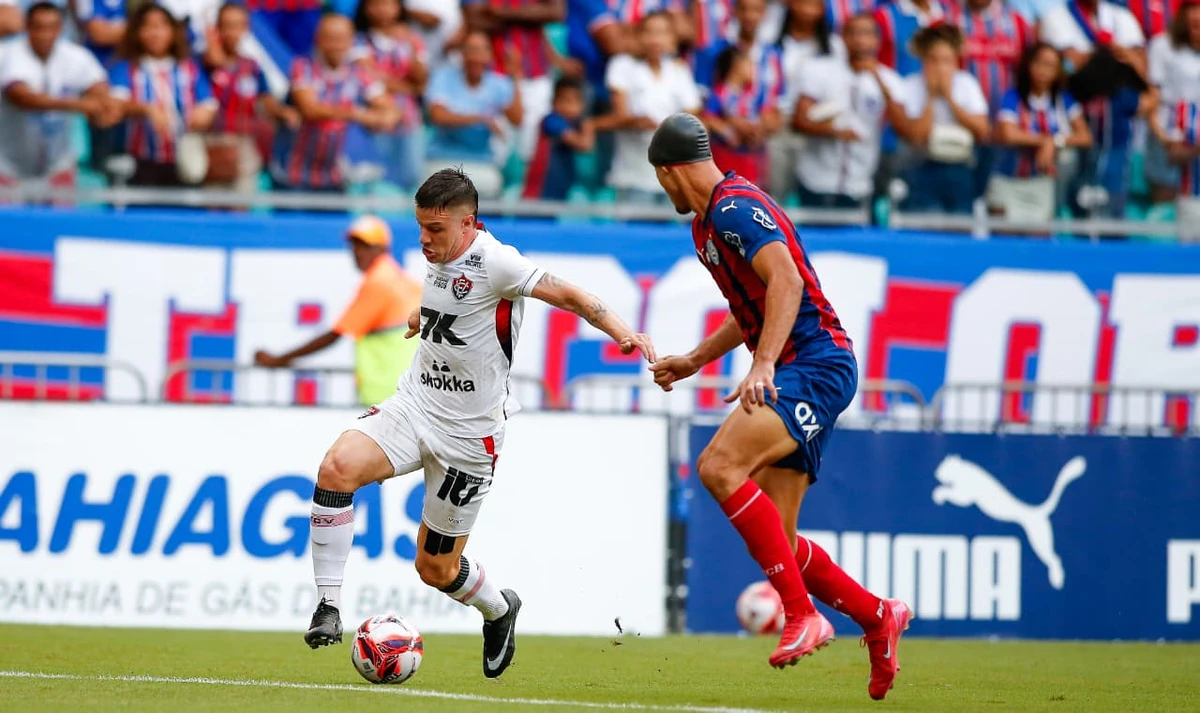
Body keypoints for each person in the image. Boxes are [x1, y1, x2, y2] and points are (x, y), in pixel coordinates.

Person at [301, 168, 656, 680]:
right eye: (420, 228)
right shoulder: (438, 257)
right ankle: (328, 606)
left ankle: (499, 608)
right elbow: (454, 304)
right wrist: (421, 316)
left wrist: (625, 333)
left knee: (435, 568)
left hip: (468, 439)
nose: (424, 240)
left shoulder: (498, 262)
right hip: (414, 406)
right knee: (337, 467)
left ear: (468, 224)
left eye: (435, 229)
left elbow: (573, 296)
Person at [646, 113, 910, 697]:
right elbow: (753, 303)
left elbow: (786, 282)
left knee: (719, 467)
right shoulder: (708, 225)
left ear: (667, 172)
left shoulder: (733, 209)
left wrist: (763, 364)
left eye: (660, 181)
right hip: (802, 368)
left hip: (814, 365)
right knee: (782, 544)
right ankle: (877, 617)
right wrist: (695, 359)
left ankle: (802, 615)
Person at [254, 216, 422, 406]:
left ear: (382, 249)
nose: (357, 252)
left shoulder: (378, 282)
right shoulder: (401, 280)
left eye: (365, 246)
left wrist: (278, 360)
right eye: (354, 245)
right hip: (403, 391)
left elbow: (335, 335)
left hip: (386, 392)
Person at [1040, 0, 1149, 219]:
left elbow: (1145, 76)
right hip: (1077, 123)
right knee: (1076, 204)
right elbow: (1061, 68)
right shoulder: (1056, 18)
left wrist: (1123, 54)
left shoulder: (1122, 17)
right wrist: (1094, 56)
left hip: (1116, 132)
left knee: (1113, 204)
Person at [271, 13, 398, 193]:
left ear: (351, 41)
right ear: (318, 40)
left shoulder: (358, 73)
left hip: (332, 175)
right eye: (330, 39)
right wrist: (357, 114)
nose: (336, 45)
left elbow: (390, 109)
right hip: (293, 174)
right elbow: (310, 109)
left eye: (341, 39)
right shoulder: (303, 67)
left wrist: (383, 118)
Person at [791, 12, 906, 208]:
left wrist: (877, 78)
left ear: (877, 40)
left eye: (866, 33)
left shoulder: (890, 80)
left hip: (859, 185)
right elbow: (798, 122)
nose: (860, 40)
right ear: (843, 37)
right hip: (816, 180)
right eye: (853, 33)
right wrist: (834, 131)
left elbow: (903, 128)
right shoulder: (819, 70)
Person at [0, 2, 118, 193]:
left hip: (57, 165)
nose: (45, 34)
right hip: (8, 166)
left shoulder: (76, 56)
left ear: (60, 28)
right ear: (27, 27)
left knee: (61, 211)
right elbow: (21, 97)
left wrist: (103, 109)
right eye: (39, 27)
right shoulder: (8, 53)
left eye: (51, 27)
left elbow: (101, 92)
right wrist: (81, 105)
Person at [108, 4, 218, 187]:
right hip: (142, 165)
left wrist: (204, 114)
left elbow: (208, 103)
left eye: (161, 26)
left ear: (173, 32)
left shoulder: (189, 68)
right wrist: (146, 109)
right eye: (148, 27)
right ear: (137, 33)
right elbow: (115, 104)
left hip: (183, 163)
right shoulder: (126, 69)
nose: (155, 33)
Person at [597, 11, 701, 204]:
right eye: (649, 32)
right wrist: (636, 121)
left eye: (662, 32)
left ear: (673, 39)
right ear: (638, 35)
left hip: (674, 176)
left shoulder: (679, 70)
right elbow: (619, 115)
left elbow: (693, 117)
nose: (655, 39)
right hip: (633, 173)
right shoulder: (622, 65)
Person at [203, 2, 297, 194]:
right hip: (212, 142)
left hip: (244, 143)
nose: (232, 32)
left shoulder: (251, 66)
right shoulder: (202, 63)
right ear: (217, 28)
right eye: (227, 25)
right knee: (213, 201)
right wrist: (212, 52)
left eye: (238, 25)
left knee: (243, 201)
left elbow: (265, 98)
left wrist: (282, 112)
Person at [991, 42, 1093, 220]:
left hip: (1042, 183)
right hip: (1008, 180)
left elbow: (1085, 137)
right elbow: (1008, 134)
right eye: (1040, 63)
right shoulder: (1013, 97)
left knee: (1040, 233)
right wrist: (1044, 141)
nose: (1043, 70)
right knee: (1004, 232)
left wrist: (1056, 141)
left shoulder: (1063, 101)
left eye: (1051, 65)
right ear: (1029, 64)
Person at [899, 24, 990, 214]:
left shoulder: (967, 84)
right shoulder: (910, 86)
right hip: (922, 168)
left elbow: (982, 130)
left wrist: (949, 98)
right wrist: (931, 96)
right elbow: (916, 136)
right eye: (933, 60)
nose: (940, 67)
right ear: (923, 60)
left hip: (960, 168)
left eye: (946, 60)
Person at [462, 0, 564, 164]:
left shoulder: (498, 10)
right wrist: (531, 15)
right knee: (497, 145)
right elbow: (474, 20)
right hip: (496, 74)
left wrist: (500, 13)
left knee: (532, 147)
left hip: (536, 75)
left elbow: (556, 12)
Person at [425, 29, 523, 199]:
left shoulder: (497, 84)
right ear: (462, 54)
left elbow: (516, 119)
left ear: (490, 55)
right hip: (443, 158)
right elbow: (438, 116)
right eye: (472, 50)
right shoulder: (443, 77)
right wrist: (481, 119)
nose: (477, 57)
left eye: (483, 50)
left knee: (490, 185)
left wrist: (514, 76)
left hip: (483, 161)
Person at [351, 0, 429, 190]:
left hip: (409, 120)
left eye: (388, 3)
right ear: (366, 8)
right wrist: (407, 87)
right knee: (377, 178)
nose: (382, 8)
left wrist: (409, 44)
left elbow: (422, 82)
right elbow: (366, 75)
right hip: (377, 118)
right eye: (376, 4)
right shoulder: (359, 41)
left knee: (411, 176)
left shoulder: (413, 39)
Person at [700, 46, 779, 185]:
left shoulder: (754, 95)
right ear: (736, 67)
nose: (754, 70)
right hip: (727, 156)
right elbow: (709, 117)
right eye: (749, 65)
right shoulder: (721, 93)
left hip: (751, 156)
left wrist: (758, 130)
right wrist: (727, 131)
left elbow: (766, 117)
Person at [522, 76, 594, 199]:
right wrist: (590, 126)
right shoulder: (552, 120)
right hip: (540, 192)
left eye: (573, 102)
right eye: (563, 100)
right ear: (553, 102)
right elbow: (585, 145)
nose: (567, 107)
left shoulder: (573, 125)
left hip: (560, 191)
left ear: (581, 106)